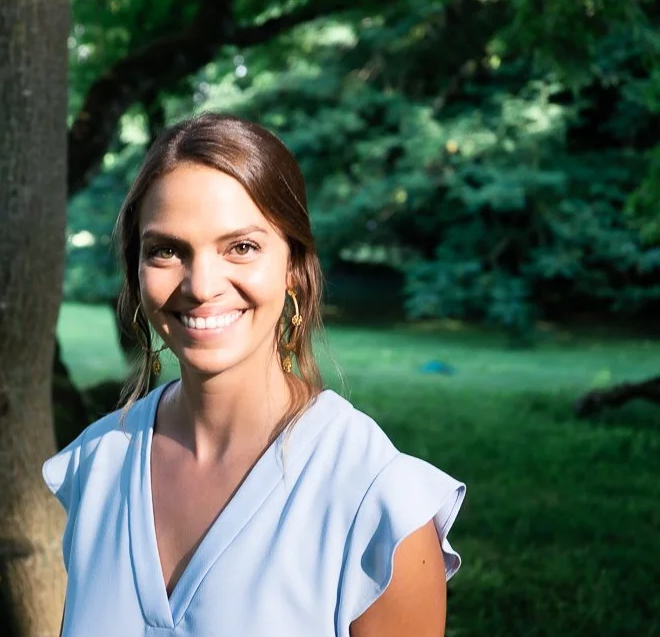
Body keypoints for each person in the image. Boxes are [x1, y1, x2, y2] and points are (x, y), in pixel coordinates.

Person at [43, 112, 466, 636]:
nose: (201, 285)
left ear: (293, 264)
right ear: (136, 268)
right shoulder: (96, 464)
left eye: (240, 247)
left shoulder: (376, 504)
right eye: (167, 250)